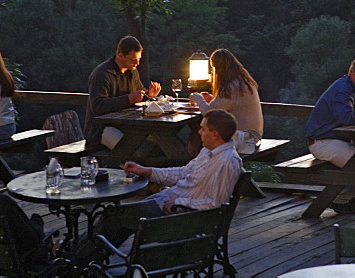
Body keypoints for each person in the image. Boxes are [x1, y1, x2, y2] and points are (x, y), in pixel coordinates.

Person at [91, 109, 242, 254]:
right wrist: (146, 171)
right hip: (167, 201)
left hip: (180, 216)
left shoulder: (227, 161)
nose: (199, 132)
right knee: (117, 219)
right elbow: (182, 173)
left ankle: (80, 262)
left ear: (215, 134)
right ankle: (90, 260)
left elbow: (216, 204)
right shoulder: (208, 151)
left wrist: (180, 203)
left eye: (203, 129)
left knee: (113, 216)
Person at [304, 56, 355, 214]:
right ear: (353, 74)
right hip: (323, 141)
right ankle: (338, 199)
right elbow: (347, 118)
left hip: (341, 140)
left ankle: (348, 195)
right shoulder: (343, 89)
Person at [84, 36, 162, 151]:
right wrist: (128, 99)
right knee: (133, 150)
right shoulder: (102, 74)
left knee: (158, 142)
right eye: (133, 59)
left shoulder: (132, 72)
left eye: (139, 59)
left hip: (126, 125)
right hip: (102, 129)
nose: (137, 63)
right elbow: (98, 106)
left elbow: (139, 95)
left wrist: (149, 95)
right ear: (120, 55)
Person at [190, 48, 263, 150]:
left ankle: (192, 162)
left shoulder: (231, 87)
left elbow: (209, 112)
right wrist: (211, 99)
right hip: (253, 137)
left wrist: (197, 97)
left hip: (247, 140)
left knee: (204, 134)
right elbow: (228, 104)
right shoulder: (242, 81)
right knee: (205, 133)